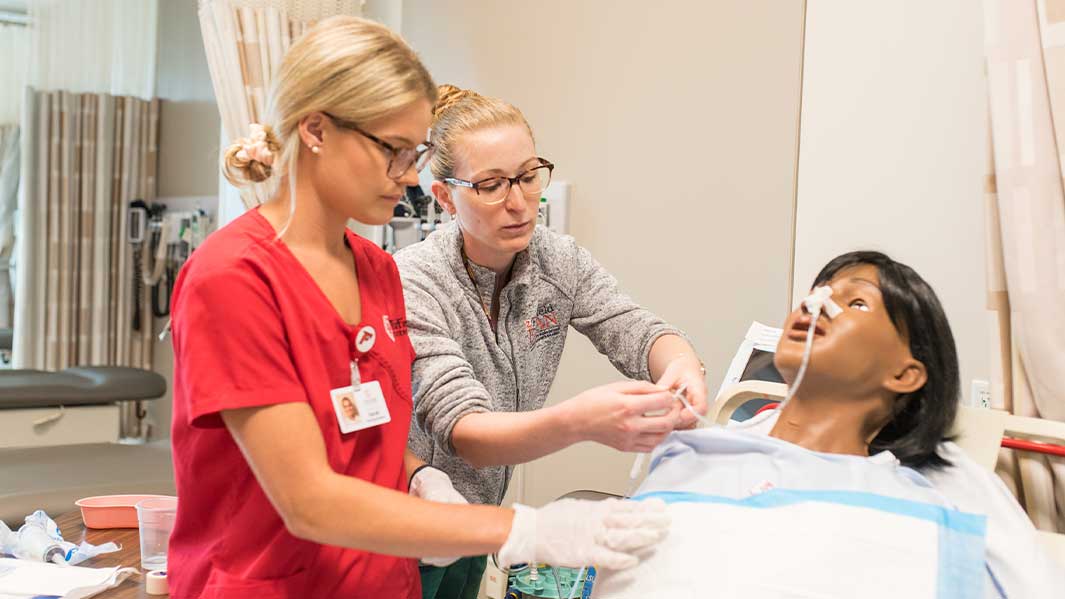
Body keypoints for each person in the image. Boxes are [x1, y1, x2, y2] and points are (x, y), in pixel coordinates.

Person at [167, 17, 668, 599]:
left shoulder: (375, 272)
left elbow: (359, 427)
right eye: (393, 152)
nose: (407, 176)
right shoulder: (235, 278)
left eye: (416, 152)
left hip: (384, 580)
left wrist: (418, 473)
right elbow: (308, 500)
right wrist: (526, 529)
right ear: (316, 130)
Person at [394, 85, 707, 599]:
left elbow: (634, 327)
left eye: (527, 176)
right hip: (410, 526)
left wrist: (682, 366)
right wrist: (582, 421)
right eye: (491, 184)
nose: (518, 202)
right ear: (445, 195)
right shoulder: (414, 282)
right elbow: (465, 431)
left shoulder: (556, 261)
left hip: (481, 525)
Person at [597, 251, 1061, 597]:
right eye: (816, 293)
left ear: (905, 373)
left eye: (856, 303)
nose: (817, 305)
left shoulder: (943, 495)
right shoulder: (694, 460)